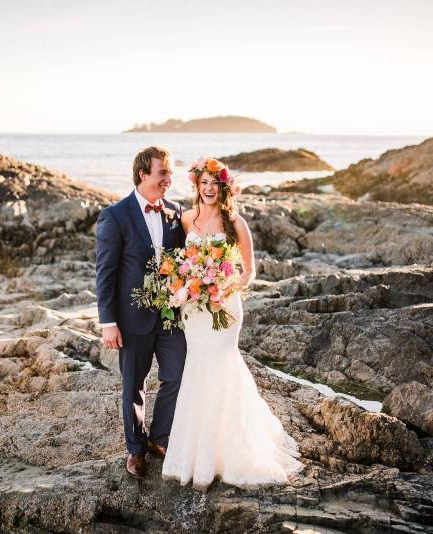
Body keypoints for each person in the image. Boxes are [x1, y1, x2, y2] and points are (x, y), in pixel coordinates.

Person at [161, 157, 304, 489]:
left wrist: (224, 287)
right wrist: (183, 287)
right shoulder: (185, 220)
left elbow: (249, 270)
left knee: (223, 366)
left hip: (225, 307)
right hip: (194, 310)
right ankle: (196, 454)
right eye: (204, 183)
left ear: (223, 188)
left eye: (215, 183)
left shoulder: (235, 222)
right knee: (196, 369)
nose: (209, 189)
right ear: (196, 187)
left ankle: (233, 452)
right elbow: (176, 262)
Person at [95, 146, 187, 479]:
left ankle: (160, 438)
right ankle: (135, 449)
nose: (169, 179)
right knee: (134, 385)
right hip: (132, 318)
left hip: (170, 315)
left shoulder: (177, 213)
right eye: (163, 172)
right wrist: (108, 322)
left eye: (171, 173)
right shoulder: (115, 216)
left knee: (177, 375)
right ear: (142, 174)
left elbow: (185, 261)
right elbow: (105, 272)